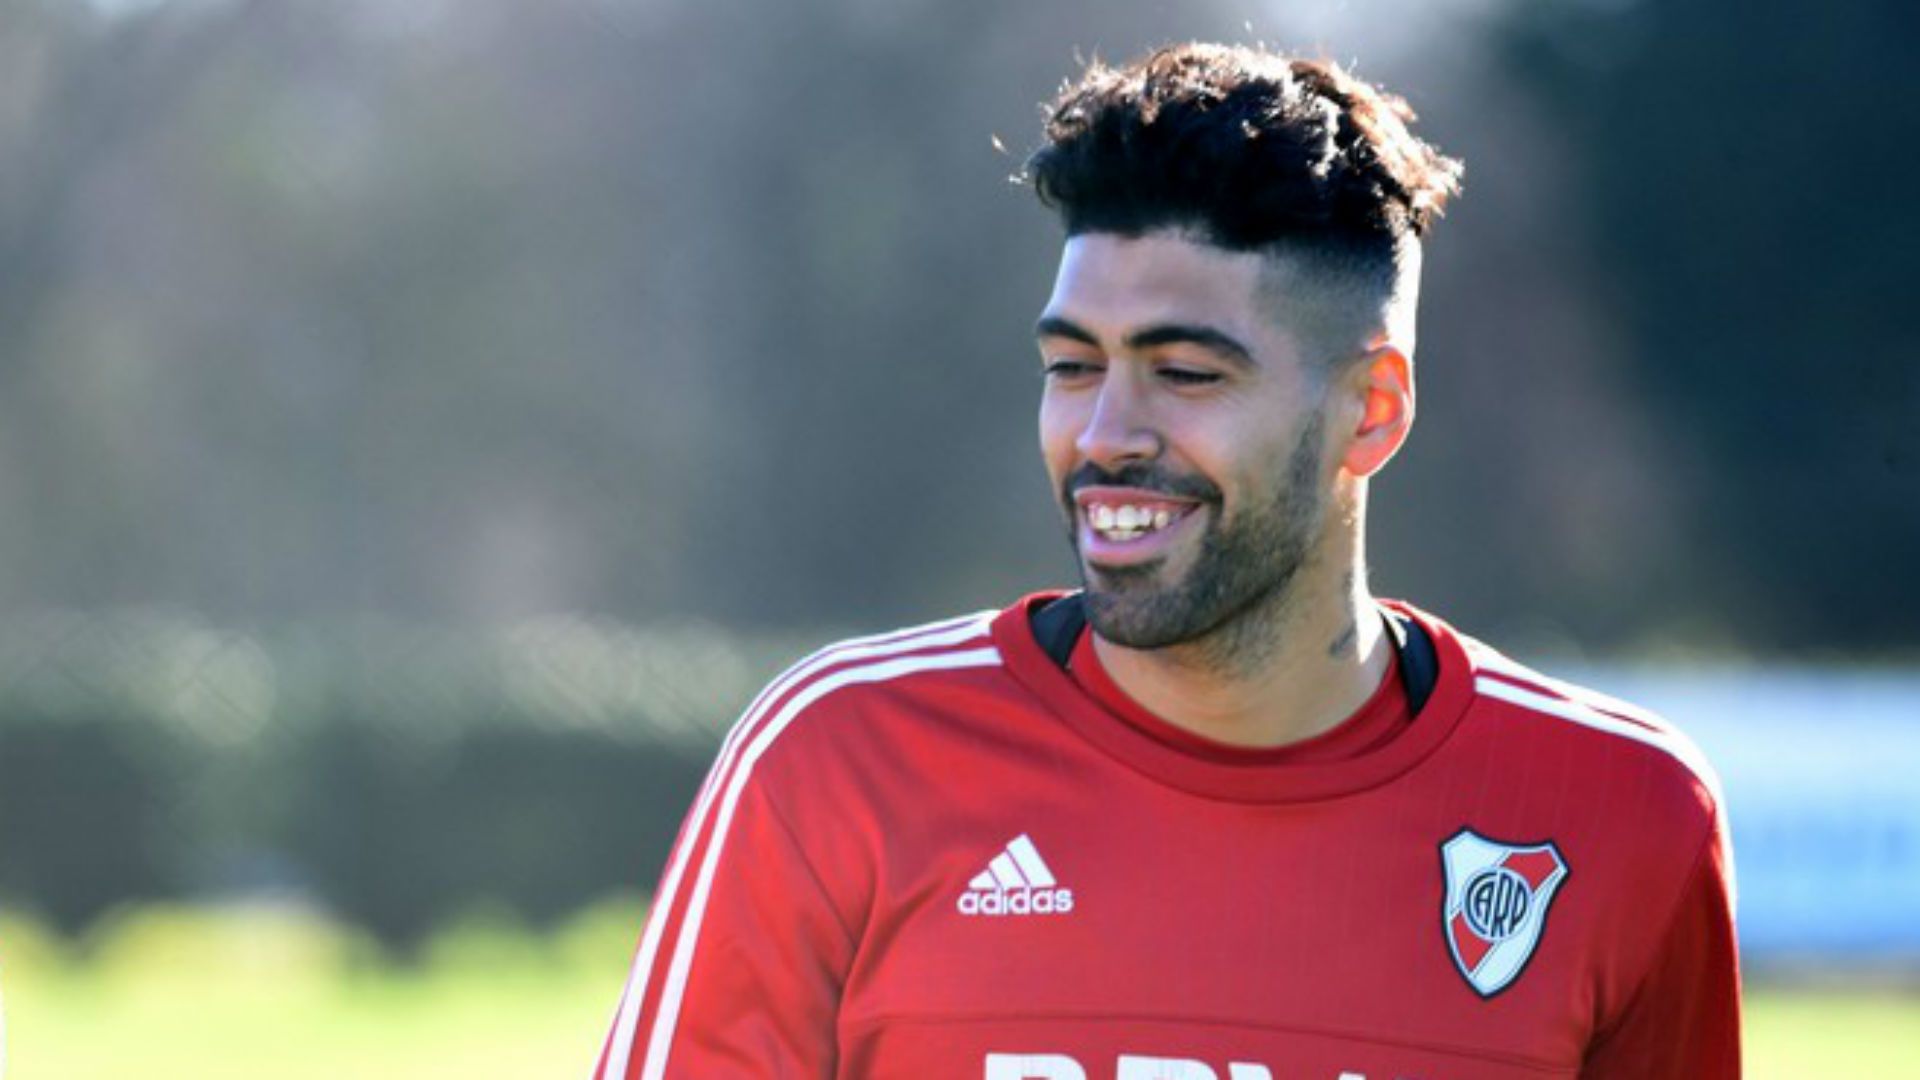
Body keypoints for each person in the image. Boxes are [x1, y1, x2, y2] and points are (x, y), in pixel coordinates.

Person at [592, 42, 1739, 1080]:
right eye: (1074, 365)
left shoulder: (1622, 816)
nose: (1104, 437)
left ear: (1373, 413)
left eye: (1186, 374)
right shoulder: (838, 761)